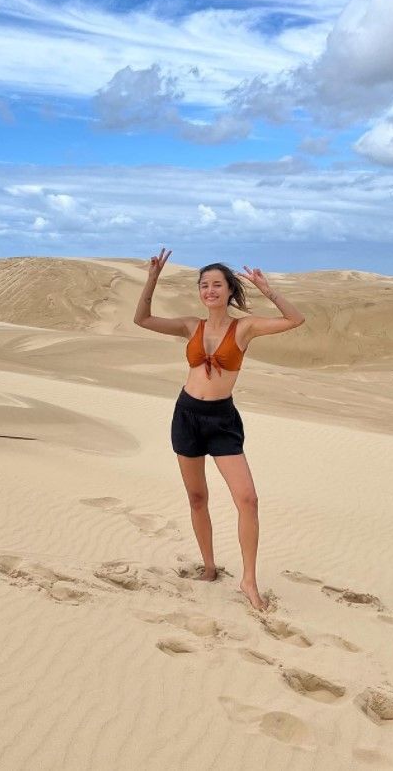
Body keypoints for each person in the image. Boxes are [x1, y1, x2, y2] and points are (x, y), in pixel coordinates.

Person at [133, 247, 305, 611]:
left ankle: (248, 580)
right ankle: (209, 567)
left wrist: (267, 290)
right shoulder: (190, 326)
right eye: (204, 285)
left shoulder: (244, 328)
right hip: (187, 415)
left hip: (222, 421)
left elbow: (295, 319)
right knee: (197, 498)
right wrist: (152, 279)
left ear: (229, 290)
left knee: (248, 499)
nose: (210, 290)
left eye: (216, 285)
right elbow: (142, 319)